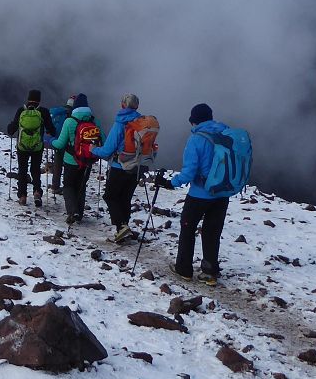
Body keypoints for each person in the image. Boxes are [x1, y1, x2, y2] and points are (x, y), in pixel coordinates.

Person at [157, 103, 229, 286]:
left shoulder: (196, 139)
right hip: (222, 193)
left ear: (194, 120)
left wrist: (170, 183)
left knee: (188, 228)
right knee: (212, 232)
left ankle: (184, 269)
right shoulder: (225, 134)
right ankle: (210, 272)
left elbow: (189, 173)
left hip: (200, 194)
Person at [91, 93, 147, 242]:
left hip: (119, 166)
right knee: (125, 198)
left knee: (110, 196)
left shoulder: (121, 123)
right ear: (137, 106)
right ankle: (124, 228)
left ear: (123, 105)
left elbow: (107, 150)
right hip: (137, 167)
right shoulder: (142, 124)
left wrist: (93, 149)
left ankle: (121, 227)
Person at [51, 93, 103, 225]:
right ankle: (79, 213)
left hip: (71, 160)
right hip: (87, 160)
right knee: (81, 186)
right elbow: (103, 139)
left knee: (68, 186)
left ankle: (72, 211)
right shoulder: (94, 121)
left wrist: (51, 141)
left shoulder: (69, 121)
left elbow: (61, 144)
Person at [6, 89, 57, 207]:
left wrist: (11, 126)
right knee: (35, 170)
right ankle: (37, 192)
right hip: (37, 147)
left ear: (28, 99)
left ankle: (22, 196)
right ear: (39, 100)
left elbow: (11, 130)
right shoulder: (43, 112)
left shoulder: (21, 110)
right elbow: (52, 130)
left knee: (22, 170)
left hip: (22, 147)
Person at [47, 96, 73, 195]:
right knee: (67, 165)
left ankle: (55, 186)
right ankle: (68, 186)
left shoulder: (60, 112)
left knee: (57, 164)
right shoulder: (73, 114)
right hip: (69, 144)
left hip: (57, 141)